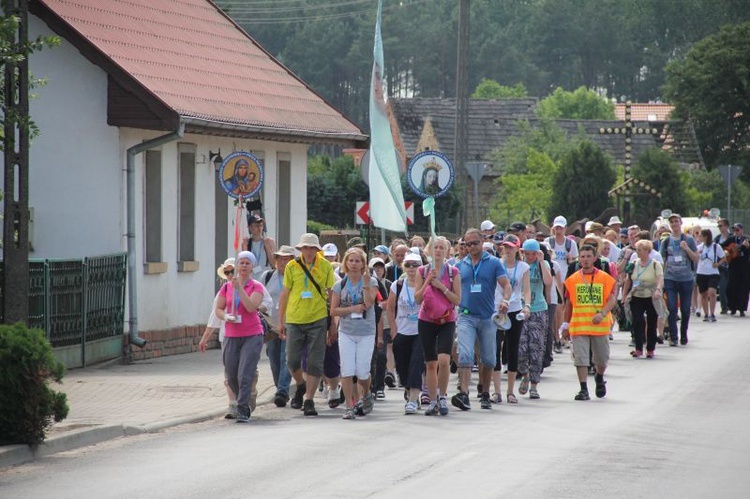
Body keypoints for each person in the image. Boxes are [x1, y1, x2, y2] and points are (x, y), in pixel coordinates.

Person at [453, 229, 512, 411]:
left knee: (488, 359)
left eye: (475, 243)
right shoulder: (460, 265)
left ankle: (485, 393)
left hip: (487, 317)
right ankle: (463, 393)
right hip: (466, 315)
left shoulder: (493, 263)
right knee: (464, 354)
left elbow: (506, 285)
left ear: (482, 241)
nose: (471, 247)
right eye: (467, 244)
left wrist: (505, 300)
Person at [278, 233, 336, 417]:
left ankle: (309, 399)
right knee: (292, 360)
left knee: (315, 362)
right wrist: (281, 321)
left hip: (318, 318)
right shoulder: (292, 266)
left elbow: (332, 293)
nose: (309, 251)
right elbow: (285, 293)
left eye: (312, 248)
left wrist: (332, 322)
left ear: (317, 250)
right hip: (295, 319)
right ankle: (300, 386)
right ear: (300, 249)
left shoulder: (325, 266)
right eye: (305, 248)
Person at [213, 251, 266, 422]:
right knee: (231, 373)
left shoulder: (256, 286)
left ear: (252, 267)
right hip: (231, 334)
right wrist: (225, 316)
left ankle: (243, 407)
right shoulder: (226, 286)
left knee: (245, 372)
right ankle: (241, 398)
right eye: (241, 262)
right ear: (236, 266)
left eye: (247, 263)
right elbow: (218, 308)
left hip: (252, 334)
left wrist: (240, 289)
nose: (243, 266)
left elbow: (251, 307)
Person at [561, 245, 617, 401]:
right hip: (579, 326)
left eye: (588, 256)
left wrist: (603, 313)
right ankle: (583, 389)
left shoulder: (605, 278)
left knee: (602, 359)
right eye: (582, 256)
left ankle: (599, 377)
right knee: (581, 359)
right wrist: (566, 325)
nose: (585, 259)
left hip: (600, 325)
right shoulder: (572, 280)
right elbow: (569, 304)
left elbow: (611, 299)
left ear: (594, 258)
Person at [415, 237, 462, 416]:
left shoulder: (453, 272)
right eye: (435, 247)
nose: (438, 251)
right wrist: (428, 281)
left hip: (447, 320)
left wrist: (442, 287)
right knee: (431, 363)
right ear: (430, 250)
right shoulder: (422, 270)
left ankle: (442, 396)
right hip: (426, 320)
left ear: (447, 251)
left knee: (443, 360)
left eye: (442, 247)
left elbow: (457, 299)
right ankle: (432, 400)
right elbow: (417, 299)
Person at [330, 248, 378, 420]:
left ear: (363, 264)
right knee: (347, 369)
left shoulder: (371, 281)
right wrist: (352, 309)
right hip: (347, 332)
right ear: (346, 263)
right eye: (351, 260)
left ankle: (366, 392)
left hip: (366, 332)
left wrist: (365, 284)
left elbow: (369, 303)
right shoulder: (339, 285)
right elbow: (333, 311)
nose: (354, 264)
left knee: (362, 371)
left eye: (358, 261)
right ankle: (349, 406)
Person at [199, 258, 239, 418]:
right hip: (227, 336)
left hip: (247, 335)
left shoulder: (251, 286)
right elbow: (215, 315)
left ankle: (245, 398)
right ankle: (233, 404)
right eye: (227, 272)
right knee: (229, 372)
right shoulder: (224, 290)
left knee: (244, 370)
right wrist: (205, 338)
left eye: (232, 271)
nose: (229, 275)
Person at [386, 252, 425, 414]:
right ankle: (409, 390)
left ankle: (413, 399)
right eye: (407, 265)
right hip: (402, 330)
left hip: (420, 330)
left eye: (414, 265)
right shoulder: (398, 284)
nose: (411, 268)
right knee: (402, 365)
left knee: (417, 363)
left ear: (421, 267)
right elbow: (389, 307)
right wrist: (393, 329)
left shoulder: (425, 284)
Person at [492, 234, 529, 404]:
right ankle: (496, 391)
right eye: (505, 247)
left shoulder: (523, 267)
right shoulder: (496, 264)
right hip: (497, 309)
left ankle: (510, 391)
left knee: (512, 349)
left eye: (511, 247)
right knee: (495, 349)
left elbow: (526, 290)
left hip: (514, 309)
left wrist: (527, 305)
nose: (508, 250)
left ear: (517, 249)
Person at [516, 239, 552, 400]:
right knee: (521, 348)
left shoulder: (541, 265)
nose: (530, 257)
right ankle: (524, 373)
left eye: (533, 254)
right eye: (527, 253)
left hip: (538, 309)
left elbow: (548, 282)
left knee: (536, 348)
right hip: (521, 309)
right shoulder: (519, 266)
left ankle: (535, 384)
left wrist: (542, 261)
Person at [261, 246, 296, 407]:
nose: (284, 262)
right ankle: (280, 388)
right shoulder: (267, 276)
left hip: (291, 323)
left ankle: (282, 391)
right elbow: (259, 296)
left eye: (287, 259)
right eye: (281, 258)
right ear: (276, 260)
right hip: (271, 325)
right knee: (274, 359)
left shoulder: (297, 276)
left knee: (286, 357)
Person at [660, 214, 699, 346]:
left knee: (685, 309)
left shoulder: (689, 240)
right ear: (670, 225)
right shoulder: (665, 241)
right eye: (672, 222)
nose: (675, 224)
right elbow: (662, 261)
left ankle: (684, 334)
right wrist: (661, 280)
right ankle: (673, 336)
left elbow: (696, 258)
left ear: (680, 223)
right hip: (670, 278)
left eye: (676, 221)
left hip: (686, 278)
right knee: (671, 307)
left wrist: (686, 248)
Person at [622, 240, 664, 358]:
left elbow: (660, 278)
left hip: (651, 296)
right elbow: (628, 279)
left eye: (640, 250)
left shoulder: (655, 264)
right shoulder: (634, 263)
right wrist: (625, 295)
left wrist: (658, 290)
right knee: (637, 321)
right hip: (637, 295)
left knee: (652, 322)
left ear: (647, 251)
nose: (638, 252)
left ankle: (650, 349)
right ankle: (638, 348)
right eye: (637, 250)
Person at [695, 229, 724, 322]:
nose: (700, 238)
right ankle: (706, 314)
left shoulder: (716, 246)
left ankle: (712, 313)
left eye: (701, 236)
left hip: (713, 272)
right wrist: (697, 254)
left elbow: (723, 257)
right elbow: (695, 257)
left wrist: (718, 264)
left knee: (712, 292)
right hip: (701, 272)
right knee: (703, 294)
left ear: (706, 237)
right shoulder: (699, 247)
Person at [722, 223, 750, 316]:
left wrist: (746, 247)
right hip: (733, 266)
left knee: (743, 287)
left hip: (744, 266)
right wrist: (726, 251)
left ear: (742, 230)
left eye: (737, 230)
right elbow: (722, 246)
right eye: (734, 230)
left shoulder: (747, 239)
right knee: (731, 287)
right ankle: (732, 307)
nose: (736, 232)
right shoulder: (731, 239)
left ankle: (742, 308)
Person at [714, 218, 732, 314]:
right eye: (719, 226)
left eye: (721, 225)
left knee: (731, 286)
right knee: (722, 286)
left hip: (732, 266)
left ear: (726, 226)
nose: (720, 228)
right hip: (722, 266)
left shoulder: (732, 237)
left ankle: (732, 305)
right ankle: (724, 307)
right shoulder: (717, 239)